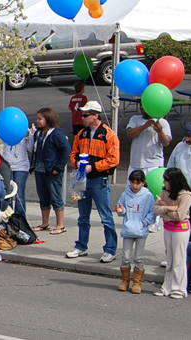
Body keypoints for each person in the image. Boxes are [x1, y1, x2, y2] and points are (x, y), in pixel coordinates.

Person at [66, 101, 120, 262]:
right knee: (83, 216)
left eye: (85, 115)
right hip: (81, 179)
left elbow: (114, 159)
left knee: (105, 216)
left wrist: (92, 167)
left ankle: (110, 249)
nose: (82, 117)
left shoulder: (109, 135)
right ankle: (81, 246)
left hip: (99, 180)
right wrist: (77, 164)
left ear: (95, 115)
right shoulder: (81, 134)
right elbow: (73, 153)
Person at [154, 168, 191, 299]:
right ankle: (167, 287)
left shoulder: (186, 195)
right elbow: (156, 208)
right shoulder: (164, 192)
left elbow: (180, 216)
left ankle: (179, 289)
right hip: (168, 227)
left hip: (181, 229)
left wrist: (165, 209)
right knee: (170, 260)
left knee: (179, 259)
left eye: (166, 180)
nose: (164, 182)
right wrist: (169, 207)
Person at [114, 170, 156, 294]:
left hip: (141, 230)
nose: (135, 186)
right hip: (128, 229)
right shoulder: (125, 194)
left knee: (138, 257)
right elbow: (121, 210)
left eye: (138, 183)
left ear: (143, 183)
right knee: (126, 256)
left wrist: (144, 222)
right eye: (132, 183)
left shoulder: (148, 196)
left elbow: (152, 212)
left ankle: (137, 282)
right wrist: (121, 211)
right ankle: (125, 280)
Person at [32, 108, 72, 234]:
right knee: (43, 197)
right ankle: (45, 223)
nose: (38, 121)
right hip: (39, 170)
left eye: (40, 118)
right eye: (38, 118)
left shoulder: (56, 133)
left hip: (51, 170)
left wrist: (58, 167)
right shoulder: (39, 133)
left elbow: (66, 150)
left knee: (55, 196)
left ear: (48, 119)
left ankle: (60, 225)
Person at [0, 121, 34, 216]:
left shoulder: (24, 130)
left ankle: (20, 218)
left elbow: (31, 148)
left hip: (21, 167)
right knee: (7, 193)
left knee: (20, 194)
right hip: (8, 166)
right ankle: (7, 218)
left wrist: (30, 136)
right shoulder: (6, 129)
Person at [126, 108, 172, 177]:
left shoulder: (162, 122)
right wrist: (144, 126)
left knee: (152, 187)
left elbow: (166, 142)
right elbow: (129, 134)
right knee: (133, 187)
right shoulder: (135, 119)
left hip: (154, 165)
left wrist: (160, 131)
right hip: (135, 164)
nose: (141, 107)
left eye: (144, 105)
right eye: (140, 105)